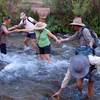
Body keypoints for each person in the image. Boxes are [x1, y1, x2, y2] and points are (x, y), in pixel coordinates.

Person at [53, 17, 100, 99]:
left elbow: (91, 40)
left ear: (77, 25)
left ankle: (89, 97)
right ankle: (82, 93)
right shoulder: (78, 32)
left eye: (74, 25)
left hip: (89, 56)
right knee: (79, 84)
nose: (73, 27)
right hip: (81, 56)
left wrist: (89, 47)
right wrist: (62, 41)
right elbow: (71, 38)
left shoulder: (85, 31)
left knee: (90, 83)